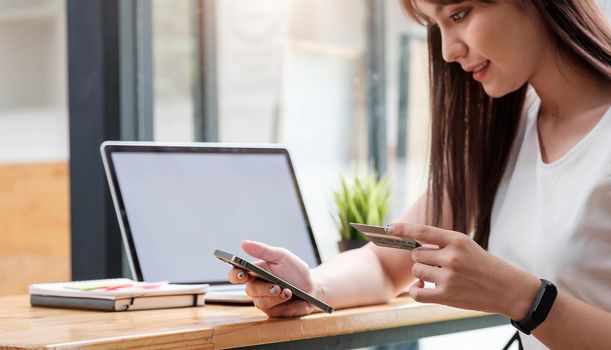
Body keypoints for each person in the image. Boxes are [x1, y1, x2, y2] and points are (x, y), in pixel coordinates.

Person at [227, 1, 611, 349]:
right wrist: (310, 286)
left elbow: (526, 299)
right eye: (435, 26)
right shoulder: (507, 132)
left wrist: (524, 299)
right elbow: (384, 264)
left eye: (459, 14)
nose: (448, 51)